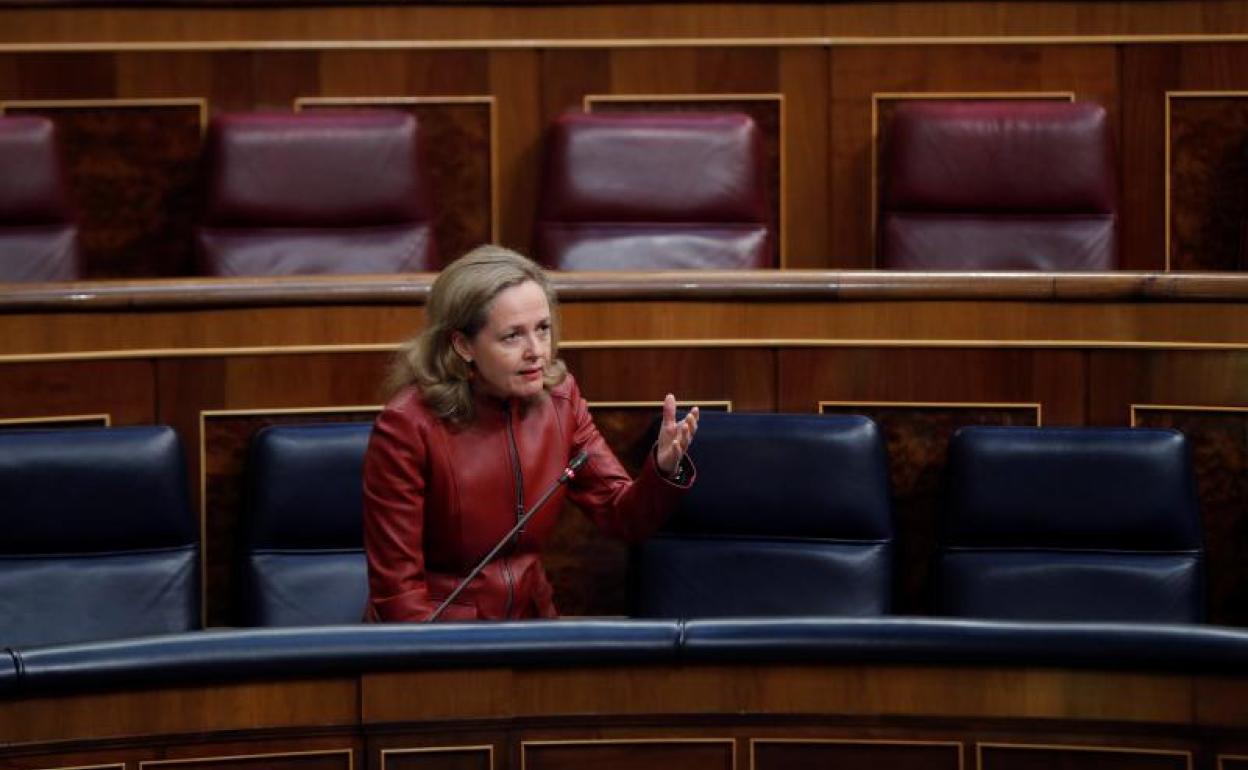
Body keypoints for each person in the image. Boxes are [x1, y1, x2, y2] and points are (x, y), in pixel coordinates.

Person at [363, 245, 699, 622]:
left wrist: (665, 469)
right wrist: (449, 667)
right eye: (512, 337)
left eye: (542, 329)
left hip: (532, 631)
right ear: (463, 345)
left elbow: (623, 517)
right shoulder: (407, 427)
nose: (537, 351)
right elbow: (399, 595)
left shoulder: (560, 400)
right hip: (442, 639)